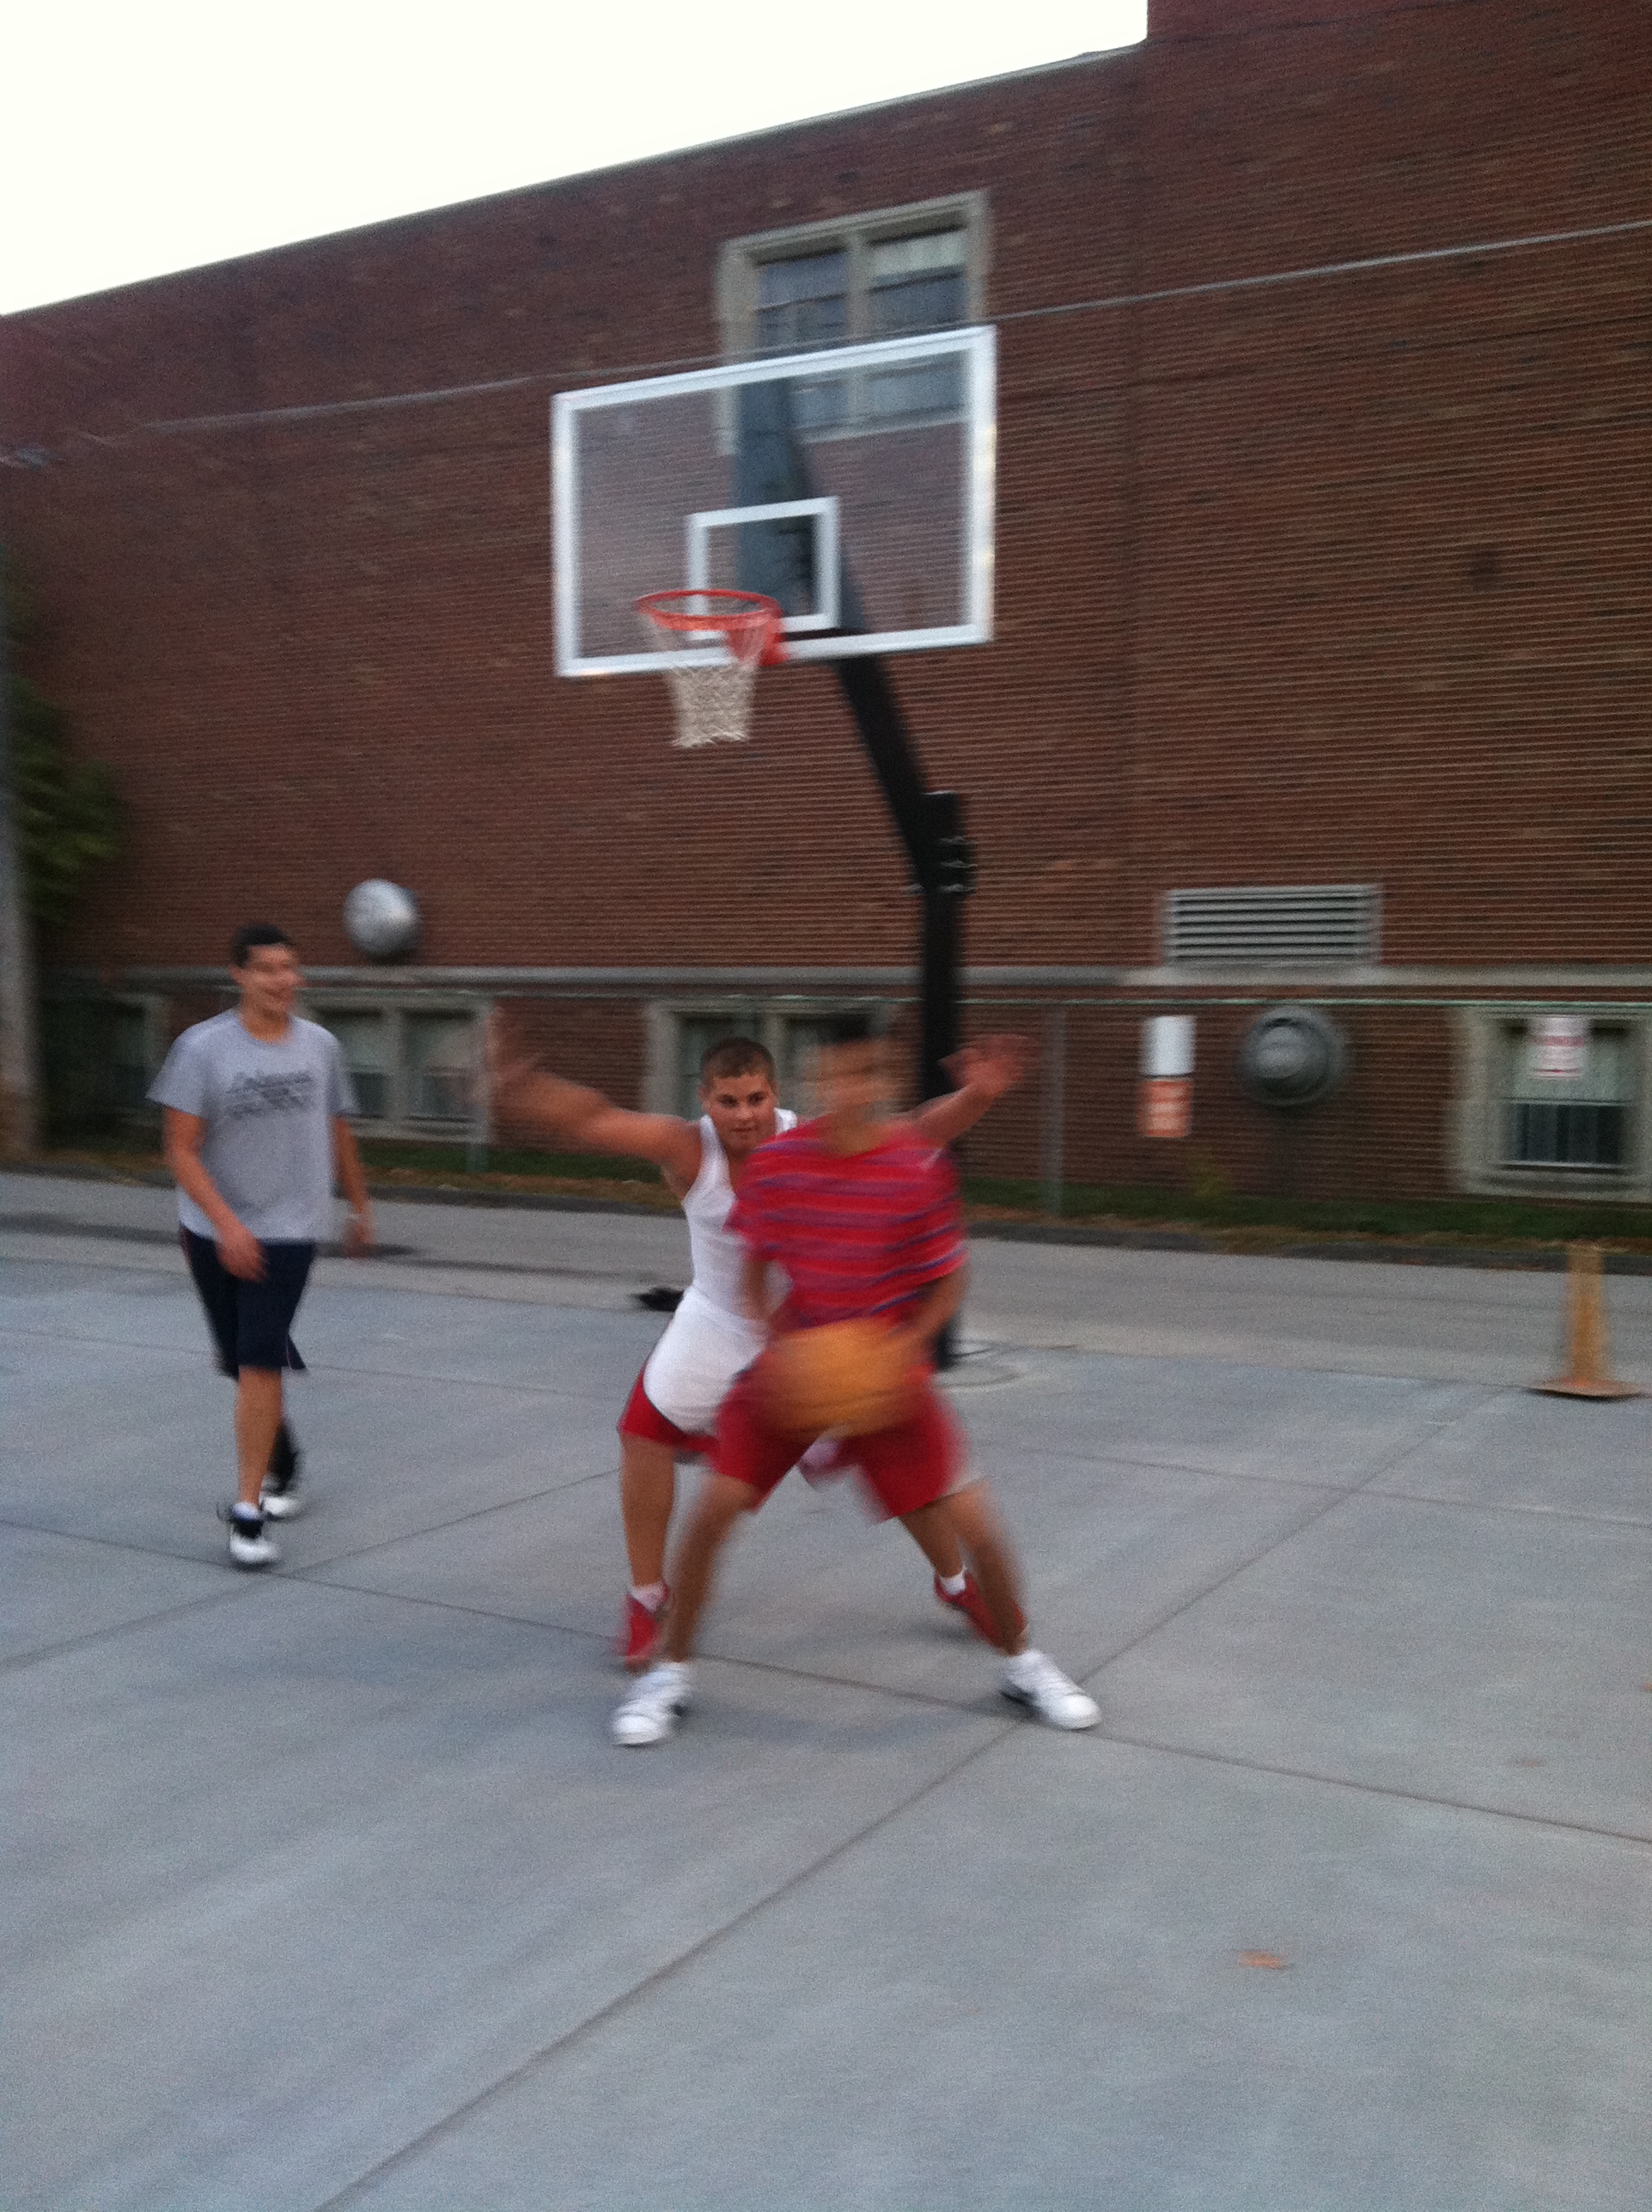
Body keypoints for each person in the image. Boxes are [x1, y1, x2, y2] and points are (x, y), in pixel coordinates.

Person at [611, 1012, 1099, 1746]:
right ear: (818, 1081)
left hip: (884, 1371)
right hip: (798, 1369)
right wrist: (772, 1343)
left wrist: (905, 1348)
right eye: (840, 1074)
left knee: (979, 1528)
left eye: (869, 1073)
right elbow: (752, 1267)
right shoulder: (783, 1163)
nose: (853, 1087)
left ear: (886, 1080)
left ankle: (1024, 1662)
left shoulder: (913, 1164)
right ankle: (669, 1674)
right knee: (712, 1516)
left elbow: (949, 1278)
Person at [490, 1027, 1032, 1668]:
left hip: (818, 1331)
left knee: (893, 1455)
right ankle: (645, 1597)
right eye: (728, 1100)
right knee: (643, 1432)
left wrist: (978, 1097)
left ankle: (956, 1584)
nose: (744, 1115)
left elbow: (920, 1129)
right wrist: (524, 1092)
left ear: (776, 1095)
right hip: (720, 1320)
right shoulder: (687, 1147)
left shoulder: (816, 1139)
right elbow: (593, 1120)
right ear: (705, 1099)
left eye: (755, 1099)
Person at [149, 924, 374, 1568]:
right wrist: (226, 1226)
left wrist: (360, 1206)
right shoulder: (203, 1050)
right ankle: (285, 1458)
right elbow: (180, 1150)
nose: (284, 981)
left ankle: (248, 1514)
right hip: (211, 1228)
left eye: (291, 968)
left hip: (291, 1229)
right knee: (239, 1355)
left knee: (259, 1358)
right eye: (268, 969)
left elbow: (338, 1128)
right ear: (239, 975)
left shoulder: (321, 1047)